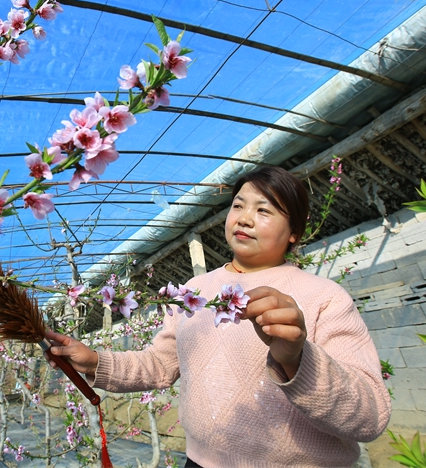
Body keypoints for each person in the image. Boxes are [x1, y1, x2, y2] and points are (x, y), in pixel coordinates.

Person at [47, 166, 391, 467]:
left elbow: (370, 416)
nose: (243, 217)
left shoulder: (324, 297)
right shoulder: (195, 290)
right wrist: (94, 362)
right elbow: (160, 365)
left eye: (265, 210)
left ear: (294, 233)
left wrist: (298, 361)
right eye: (238, 205)